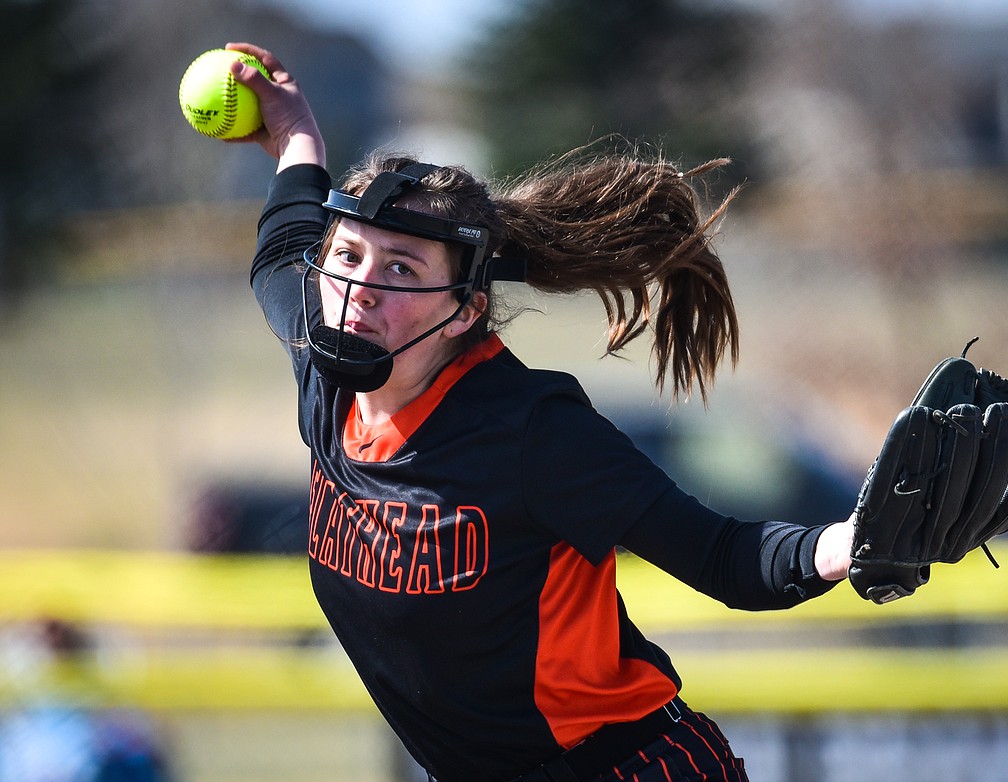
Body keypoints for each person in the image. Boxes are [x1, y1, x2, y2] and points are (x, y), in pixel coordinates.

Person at [224, 41, 856, 782]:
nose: (360, 285)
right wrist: (297, 136)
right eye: (350, 255)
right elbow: (282, 247)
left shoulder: (531, 433)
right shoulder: (326, 369)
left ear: (466, 311)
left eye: (401, 268)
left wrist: (855, 539)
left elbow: (723, 557)